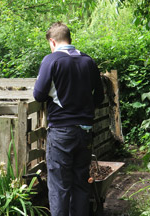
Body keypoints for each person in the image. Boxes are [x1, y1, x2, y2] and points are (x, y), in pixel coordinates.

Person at [33, 22, 104, 216]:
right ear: (70, 40)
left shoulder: (51, 60)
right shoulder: (88, 61)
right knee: (80, 183)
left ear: (52, 41)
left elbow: (38, 95)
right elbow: (99, 97)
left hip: (61, 132)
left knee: (59, 186)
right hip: (85, 131)